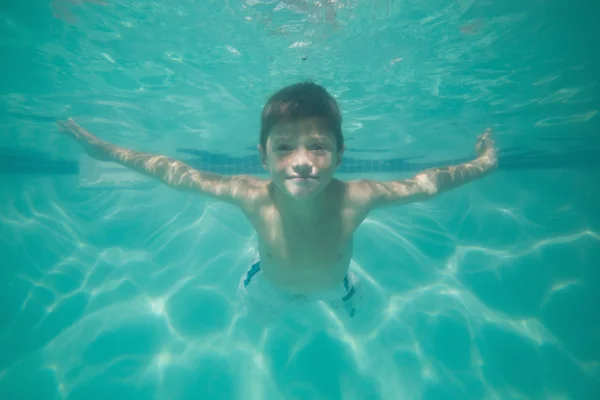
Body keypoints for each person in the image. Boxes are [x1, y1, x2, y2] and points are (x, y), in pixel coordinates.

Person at [57, 81, 498, 321]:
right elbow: (177, 176)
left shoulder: (357, 198)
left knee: (358, 314)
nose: (303, 162)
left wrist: (483, 163)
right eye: (285, 147)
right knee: (256, 325)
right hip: (267, 285)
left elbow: (426, 184)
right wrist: (104, 150)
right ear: (262, 156)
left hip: (335, 286)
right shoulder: (252, 196)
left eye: (319, 147)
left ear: (340, 156)